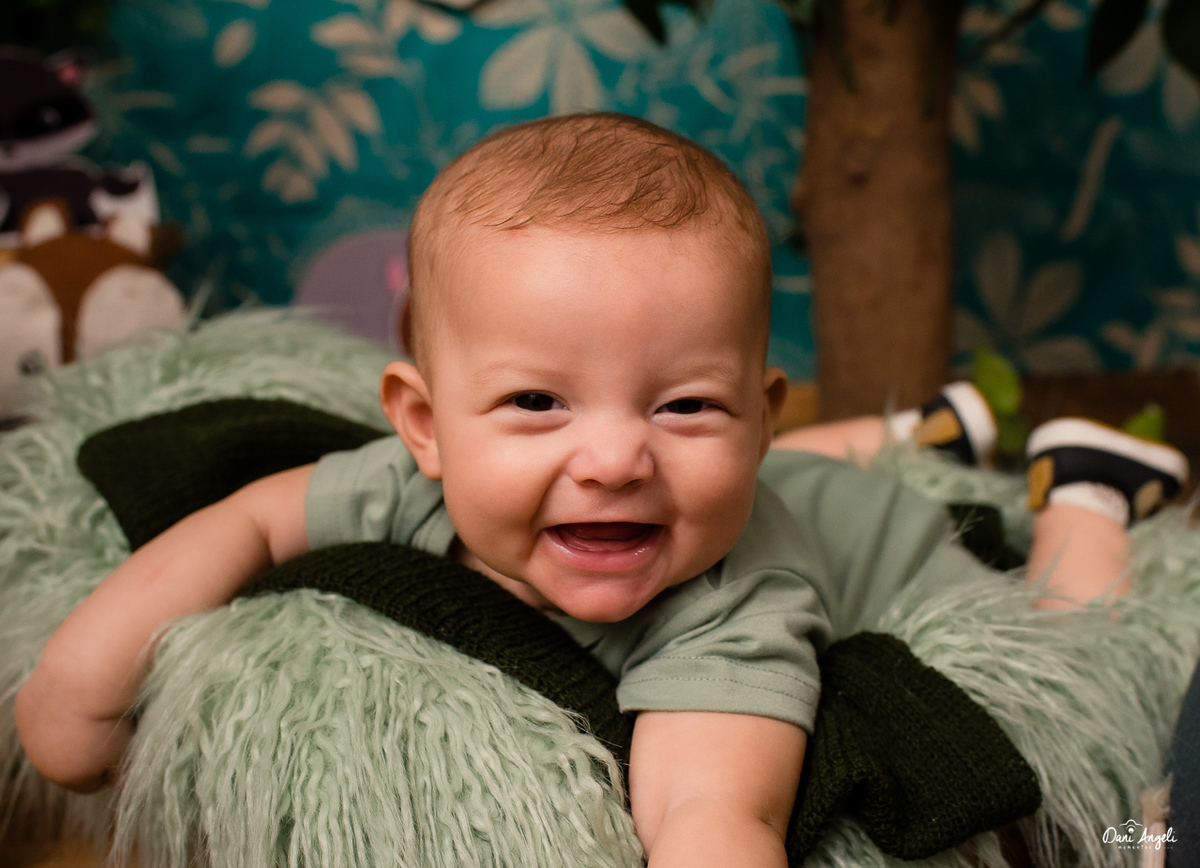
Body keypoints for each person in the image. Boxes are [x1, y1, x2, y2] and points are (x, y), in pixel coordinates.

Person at [14, 112, 1189, 867]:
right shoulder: (403, 483)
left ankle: (1090, 486)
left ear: (758, 413)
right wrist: (77, 682)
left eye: (685, 405)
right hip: (786, 475)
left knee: (1071, 628)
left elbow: (710, 811)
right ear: (422, 427)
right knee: (733, 473)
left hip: (905, 546)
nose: (615, 458)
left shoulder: (735, 601)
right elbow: (253, 515)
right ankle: (906, 426)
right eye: (538, 402)